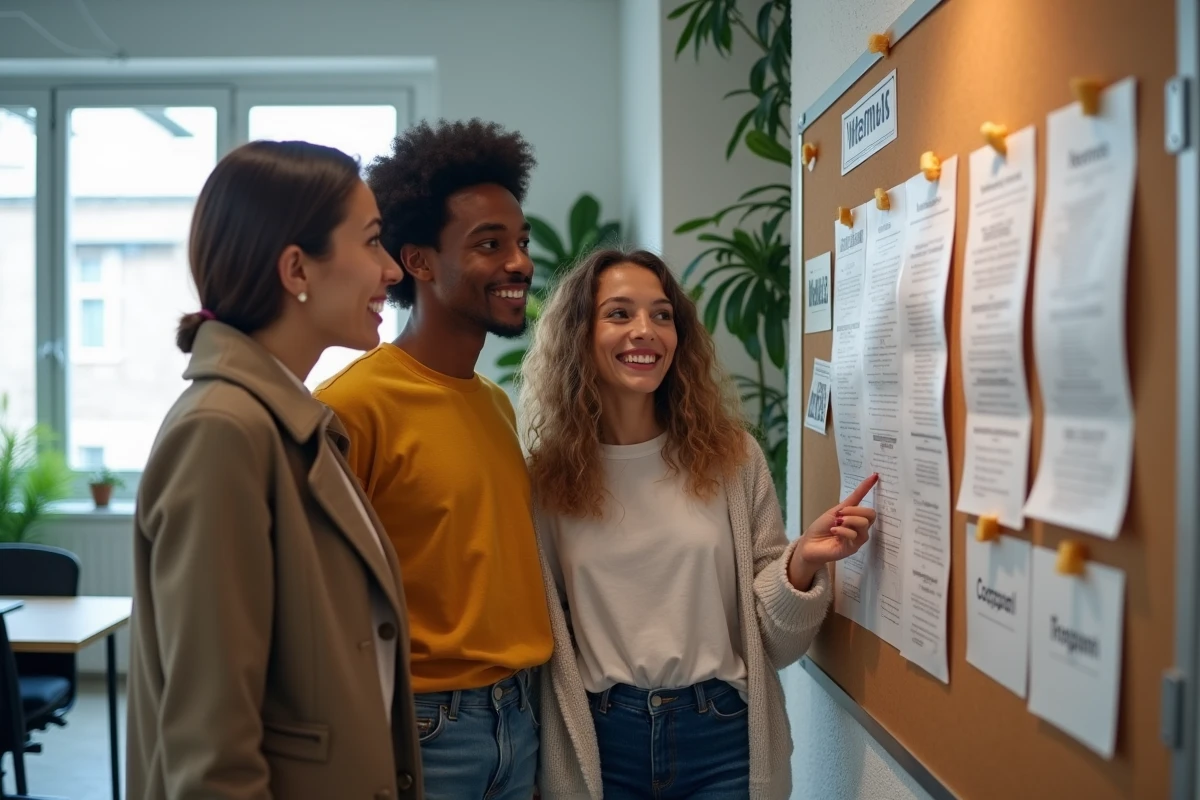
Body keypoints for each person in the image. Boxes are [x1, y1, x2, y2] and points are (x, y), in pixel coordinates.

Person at [521, 248, 879, 800]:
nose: (646, 331)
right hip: (601, 745)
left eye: (662, 315)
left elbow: (774, 645)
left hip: (724, 740)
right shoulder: (544, 482)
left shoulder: (731, 460)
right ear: (578, 336)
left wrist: (801, 562)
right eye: (619, 314)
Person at [126, 140, 424, 800]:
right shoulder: (223, 433)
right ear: (297, 269)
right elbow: (211, 748)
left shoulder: (288, 422)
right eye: (372, 243)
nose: (390, 273)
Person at [312, 119, 553, 800]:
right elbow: (320, 600)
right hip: (424, 726)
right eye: (489, 244)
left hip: (521, 718)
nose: (519, 263)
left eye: (521, 242)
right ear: (417, 262)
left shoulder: (494, 405)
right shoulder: (352, 406)